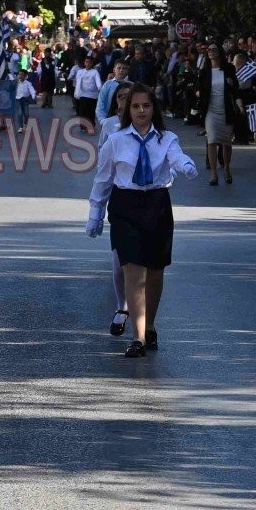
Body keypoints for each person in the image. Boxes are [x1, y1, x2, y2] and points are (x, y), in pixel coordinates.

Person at [87, 85, 198, 359]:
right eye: (135, 106)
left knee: (156, 271)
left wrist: (186, 165)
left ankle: (149, 326)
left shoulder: (167, 138)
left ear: (153, 109)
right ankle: (136, 337)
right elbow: (103, 179)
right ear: (127, 110)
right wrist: (95, 214)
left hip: (157, 205)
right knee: (133, 270)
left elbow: (176, 157)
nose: (140, 111)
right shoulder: (116, 140)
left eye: (145, 106)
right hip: (126, 205)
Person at [195, 43, 235, 186]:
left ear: (220, 52)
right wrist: (198, 92)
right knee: (211, 140)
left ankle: (227, 168)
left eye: (214, 49)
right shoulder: (205, 71)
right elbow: (198, 87)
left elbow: (235, 88)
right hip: (210, 110)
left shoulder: (229, 69)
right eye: (209, 50)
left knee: (226, 142)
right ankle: (213, 173)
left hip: (226, 109)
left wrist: (231, 84)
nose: (211, 52)